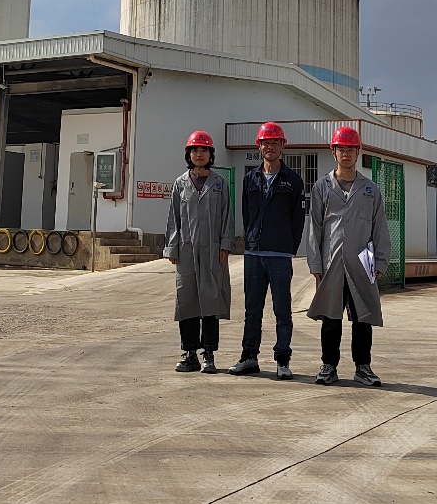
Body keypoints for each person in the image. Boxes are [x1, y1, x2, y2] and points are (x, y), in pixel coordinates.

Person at [303, 125, 391, 387]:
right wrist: (315, 263)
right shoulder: (321, 187)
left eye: (351, 149)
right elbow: (315, 227)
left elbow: (380, 227)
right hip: (331, 261)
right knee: (331, 317)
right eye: (341, 149)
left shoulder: (370, 189)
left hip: (363, 261)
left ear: (357, 152)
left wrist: (381, 260)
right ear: (333, 152)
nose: (346, 154)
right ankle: (328, 366)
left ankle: (363, 367)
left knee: (363, 317)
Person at [230, 122, 306, 380]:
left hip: (280, 256)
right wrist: (251, 241)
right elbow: (246, 214)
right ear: (259, 146)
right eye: (266, 142)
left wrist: (288, 248)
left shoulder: (293, 181)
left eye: (275, 142)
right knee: (252, 310)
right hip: (254, 255)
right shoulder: (249, 179)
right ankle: (249, 357)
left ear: (283, 146)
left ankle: (282, 359)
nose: (270, 146)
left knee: (282, 310)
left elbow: (298, 220)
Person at [164, 130, 233, 373]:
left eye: (204, 150)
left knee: (211, 300)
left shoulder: (219, 184)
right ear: (189, 154)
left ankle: (209, 355)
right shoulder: (180, 184)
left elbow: (227, 216)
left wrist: (225, 245)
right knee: (187, 301)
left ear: (211, 154)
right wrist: (172, 247)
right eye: (195, 150)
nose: (199, 154)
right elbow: (173, 218)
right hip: (186, 251)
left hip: (213, 251)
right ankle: (189, 353)